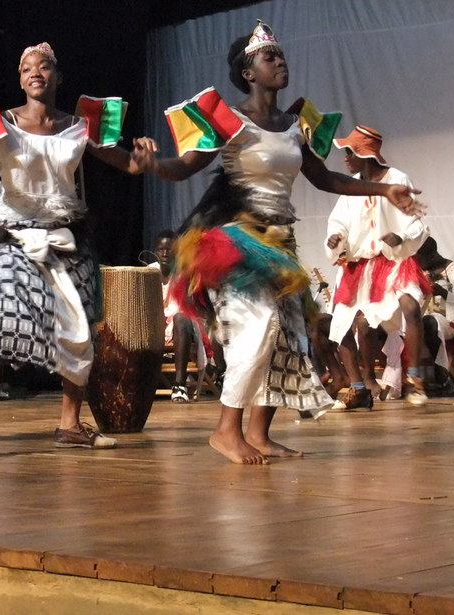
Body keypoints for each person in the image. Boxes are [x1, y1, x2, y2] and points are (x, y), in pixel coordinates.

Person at [136, 21, 420, 464]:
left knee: (288, 337)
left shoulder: (294, 125)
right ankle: (225, 430)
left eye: (282, 55)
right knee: (260, 326)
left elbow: (325, 179)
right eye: (270, 57)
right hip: (233, 241)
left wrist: (386, 190)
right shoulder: (228, 120)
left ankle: (260, 434)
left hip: (279, 242)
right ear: (248, 72)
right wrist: (153, 164)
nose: (280, 61)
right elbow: (184, 167)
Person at [0, 42, 150, 450]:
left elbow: (127, 164)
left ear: (58, 77)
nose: (36, 72)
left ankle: (69, 424)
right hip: (12, 234)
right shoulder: (0, 121)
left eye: (44, 67)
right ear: (20, 77)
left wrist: (143, 158)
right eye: (27, 67)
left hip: (64, 234)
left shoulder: (79, 125)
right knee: (2, 309)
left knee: (79, 328)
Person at [325, 125, 429, 409]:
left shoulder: (396, 178)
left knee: (411, 306)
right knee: (343, 324)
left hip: (393, 260)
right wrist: (336, 239)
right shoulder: (350, 187)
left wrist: (401, 237)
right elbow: (338, 222)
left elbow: (415, 221)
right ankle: (358, 388)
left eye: (349, 152)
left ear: (364, 153)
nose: (345, 158)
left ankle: (414, 378)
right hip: (359, 265)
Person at [149, 229, 208, 403]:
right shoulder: (149, 271)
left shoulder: (187, 271)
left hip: (184, 326)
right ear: (155, 251)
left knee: (181, 318)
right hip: (156, 326)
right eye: (161, 249)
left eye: (170, 249)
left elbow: (195, 307)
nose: (166, 253)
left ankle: (179, 384)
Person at [414, 236, 454, 394]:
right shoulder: (418, 270)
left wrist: (444, 293)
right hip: (421, 319)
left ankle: (441, 375)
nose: (417, 263)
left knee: (431, 322)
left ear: (432, 255)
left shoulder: (452, 269)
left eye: (420, 259)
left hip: (448, 321)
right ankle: (413, 382)